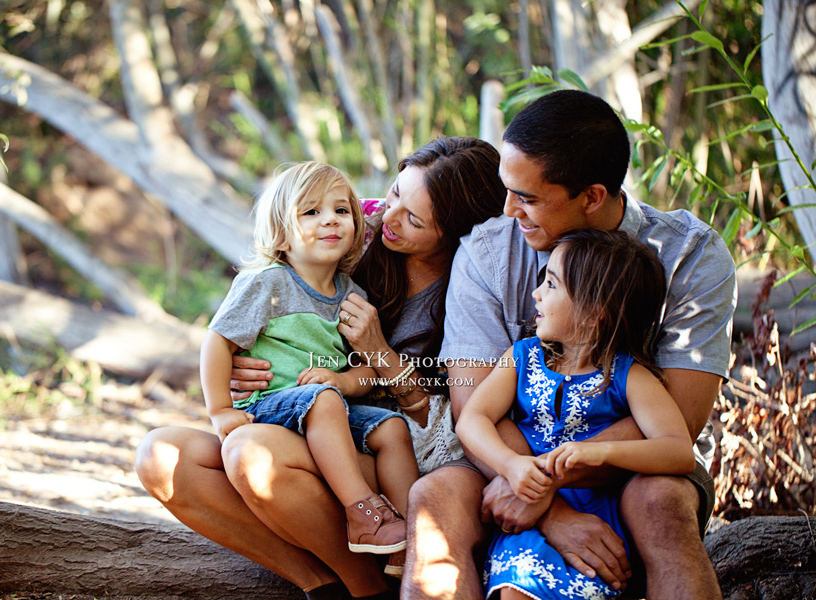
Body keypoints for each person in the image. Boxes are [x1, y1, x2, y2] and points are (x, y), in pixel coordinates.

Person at [135, 137, 506, 600]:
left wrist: (375, 351)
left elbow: (444, 427)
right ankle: (325, 584)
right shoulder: (351, 231)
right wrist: (241, 372)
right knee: (161, 455)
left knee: (252, 451)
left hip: (395, 449)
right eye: (393, 193)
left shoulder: (473, 289)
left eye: (413, 219)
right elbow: (237, 331)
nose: (384, 218)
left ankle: (380, 569)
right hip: (304, 416)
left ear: (453, 232)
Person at [403, 90, 735, 600]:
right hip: (506, 464)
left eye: (529, 197)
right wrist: (550, 507)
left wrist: (558, 476)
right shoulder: (487, 252)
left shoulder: (691, 254)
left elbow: (681, 418)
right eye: (507, 190)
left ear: (592, 196)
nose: (509, 209)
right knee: (434, 498)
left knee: (661, 503)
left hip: (633, 469)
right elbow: (475, 406)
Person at [456, 229, 696, 599]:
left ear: (593, 313)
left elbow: (678, 451)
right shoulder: (522, 357)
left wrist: (602, 452)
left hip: (598, 519)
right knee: (517, 587)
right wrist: (511, 466)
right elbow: (472, 419)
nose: (536, 293)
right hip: (527, 516)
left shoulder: (628, 375)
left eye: (551, 285)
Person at [203, 161, 416, 555]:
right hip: (271, 405)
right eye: (312, 212)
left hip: (327, 406)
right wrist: (219, 409)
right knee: (323, 399)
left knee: (392, 430)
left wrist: (342, 382)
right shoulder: (266, 283)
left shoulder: (352, 293)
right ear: (282, 234)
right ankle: (364, 516)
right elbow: (217, 343)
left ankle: (413, 534)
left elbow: (365, 369)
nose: (330, 221)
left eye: (340, 210)